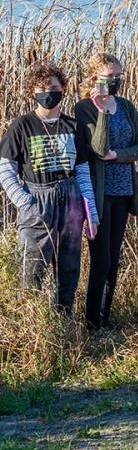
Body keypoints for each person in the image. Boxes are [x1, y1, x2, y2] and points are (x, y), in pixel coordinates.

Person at [0, 61, 99, 315]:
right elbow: (6, 170)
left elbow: (83, 172)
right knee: (32, 265)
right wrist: (25, 202)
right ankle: (31, 324)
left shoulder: (73, 126)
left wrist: (91, 213)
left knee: (68, 266)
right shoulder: (21, 126)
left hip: (70, 198)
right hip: (37, 197)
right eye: (42, 88)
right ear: (32, 91)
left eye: (53, 87)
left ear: (63, 89)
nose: (48, 92)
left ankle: (64, 321)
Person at [74, 52, 138, 329]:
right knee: (101, 258)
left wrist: (119, 154)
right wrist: (103, 112)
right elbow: (97, 148)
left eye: (119, 76)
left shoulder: (127, 106)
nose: (116, 81)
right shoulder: (84, 108)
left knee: (114, 258)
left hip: (124, 190)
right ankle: (92, 320)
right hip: (99, 192)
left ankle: (105, 317)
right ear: (95, 78)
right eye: (111, 76)